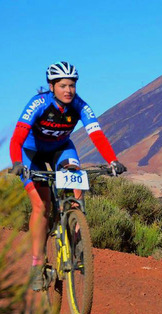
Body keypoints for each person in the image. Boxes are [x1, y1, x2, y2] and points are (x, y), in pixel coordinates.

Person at [9, 61, 126, 291]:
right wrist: (16, 163)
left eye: (72, 85)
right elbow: (17, 138)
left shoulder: (80, 105)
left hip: (62, 149)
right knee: (41, 206)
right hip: (31, 154)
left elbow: (96, 134)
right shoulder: (38, 104)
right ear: (51, 86)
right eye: (63, 85)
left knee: (76, 184)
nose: (69, 90)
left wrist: (112, 160)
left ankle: (76, 235)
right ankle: (37, 264)